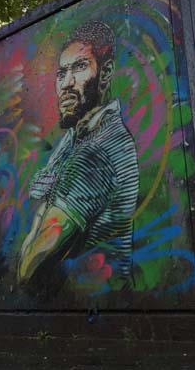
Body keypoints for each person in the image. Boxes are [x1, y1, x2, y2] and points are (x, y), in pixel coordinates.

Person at [17, 21, 139, 293]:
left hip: (95, 309)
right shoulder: (76, 137)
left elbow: (30, 266)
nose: (67, 83)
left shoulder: (98, 149)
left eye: (80, 67)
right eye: (61, 73)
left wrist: (39, 217)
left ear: (105, 73)